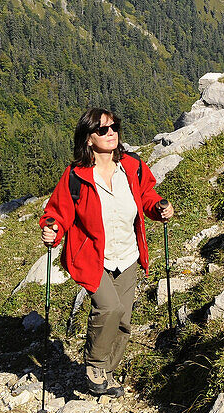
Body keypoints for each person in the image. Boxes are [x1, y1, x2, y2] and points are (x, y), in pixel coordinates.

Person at [41, 107, 175, 397]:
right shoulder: (76, 175)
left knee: (124, 319)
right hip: (91, 256)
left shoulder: (132, 166)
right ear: (89, 138)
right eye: (102, 130)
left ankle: (106, 374)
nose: (110, 132)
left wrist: (160, 207)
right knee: (108, 308)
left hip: (127, 254)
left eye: (113, 127)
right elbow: (58, 212)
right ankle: (94, 365)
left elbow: (148, 196)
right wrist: (52, 229)